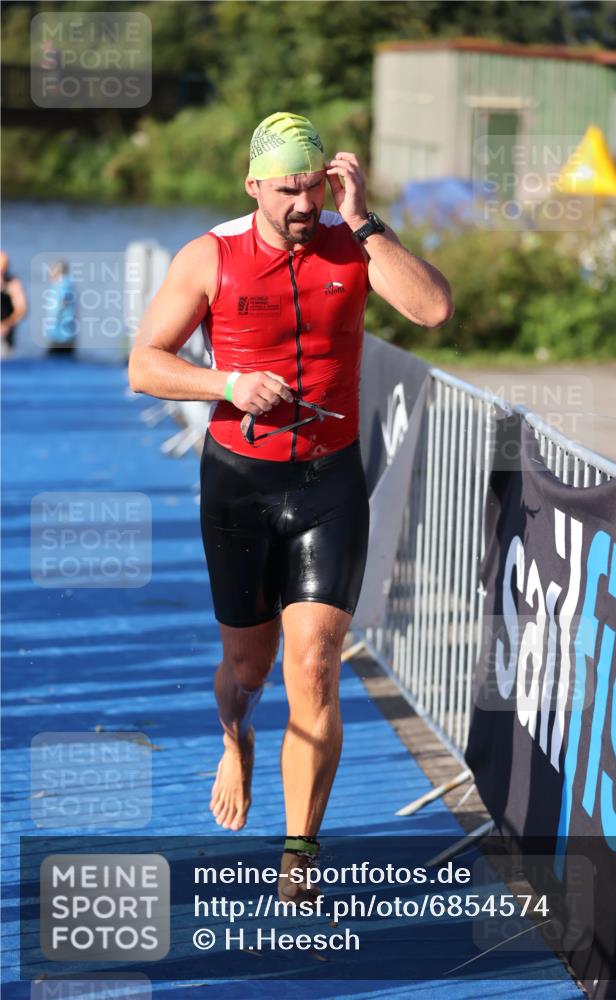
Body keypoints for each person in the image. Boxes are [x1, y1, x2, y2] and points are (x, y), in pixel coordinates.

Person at [128, 112, 453, 896]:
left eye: (312, 186)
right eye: (286, 190)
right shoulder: (211, 255)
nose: (302, 203)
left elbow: (433, 310)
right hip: (240, 484)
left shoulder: (352, 241)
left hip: (329, 482)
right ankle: (234, 738)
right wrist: (227, 384)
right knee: (249, 667)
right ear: (253, 187)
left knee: (313, 666)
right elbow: (144, 364)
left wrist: (365, 218)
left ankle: (300, 848)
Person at [43, 260, 77, 355]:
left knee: (54, 360)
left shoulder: (64, 285)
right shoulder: (63, 284)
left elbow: (62, 304)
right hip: (63, 332)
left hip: (61, 335)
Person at [1, 252, 28, 358]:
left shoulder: (13, 283)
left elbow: (22, 309)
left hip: (5, 335)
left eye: (3, 269)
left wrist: (6, 324)